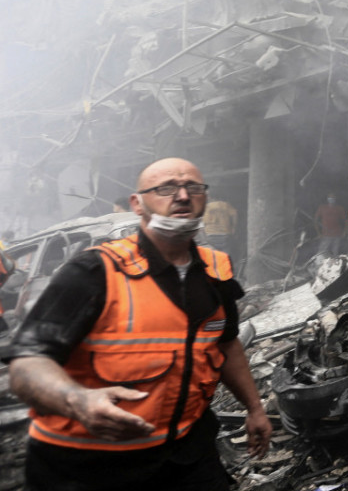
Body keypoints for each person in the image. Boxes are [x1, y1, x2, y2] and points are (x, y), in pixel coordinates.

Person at [3, 157, 271, 491]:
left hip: (186, 454)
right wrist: (79, 401)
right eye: (166, 188)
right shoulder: (94, 272)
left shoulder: (216, 272)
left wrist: (255, 408)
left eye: (194, 187)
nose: (183, 196)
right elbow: (27, 363)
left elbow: (227, 343)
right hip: (87, 465)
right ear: (137, 203)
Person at [202, 197, 238, 262]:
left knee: (212, 255)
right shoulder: (226, 205)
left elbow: (203, 222)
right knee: (225, 255)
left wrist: (205, 231)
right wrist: (233, 227)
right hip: (224, 233)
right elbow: (234, 214)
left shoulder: (206, 207)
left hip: (210, 234)